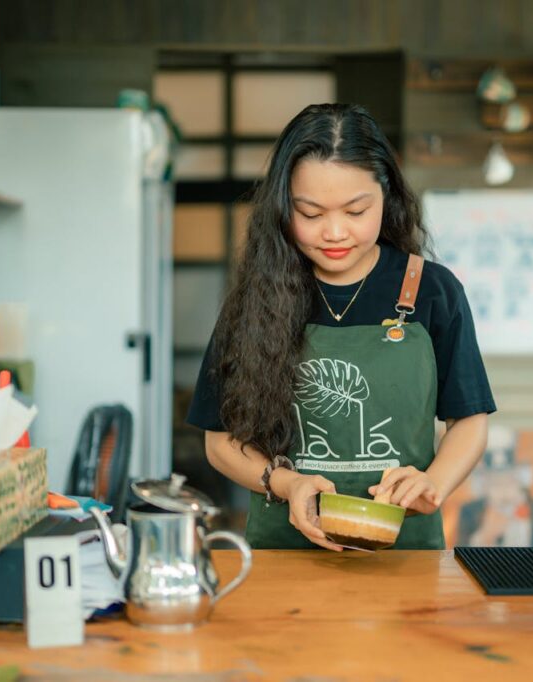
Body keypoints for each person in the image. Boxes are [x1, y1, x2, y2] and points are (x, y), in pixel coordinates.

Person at [186, 103, 496, 550]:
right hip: (285, 555)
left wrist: (435, 482)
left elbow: (469, 419)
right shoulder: (257, 299)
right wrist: (286, 483)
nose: (334, 232)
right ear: (282, 208)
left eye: (355, 211)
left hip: (402, 557)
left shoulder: (431, 290)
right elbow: (219, 441)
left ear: (386, 197)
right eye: (310, 214)